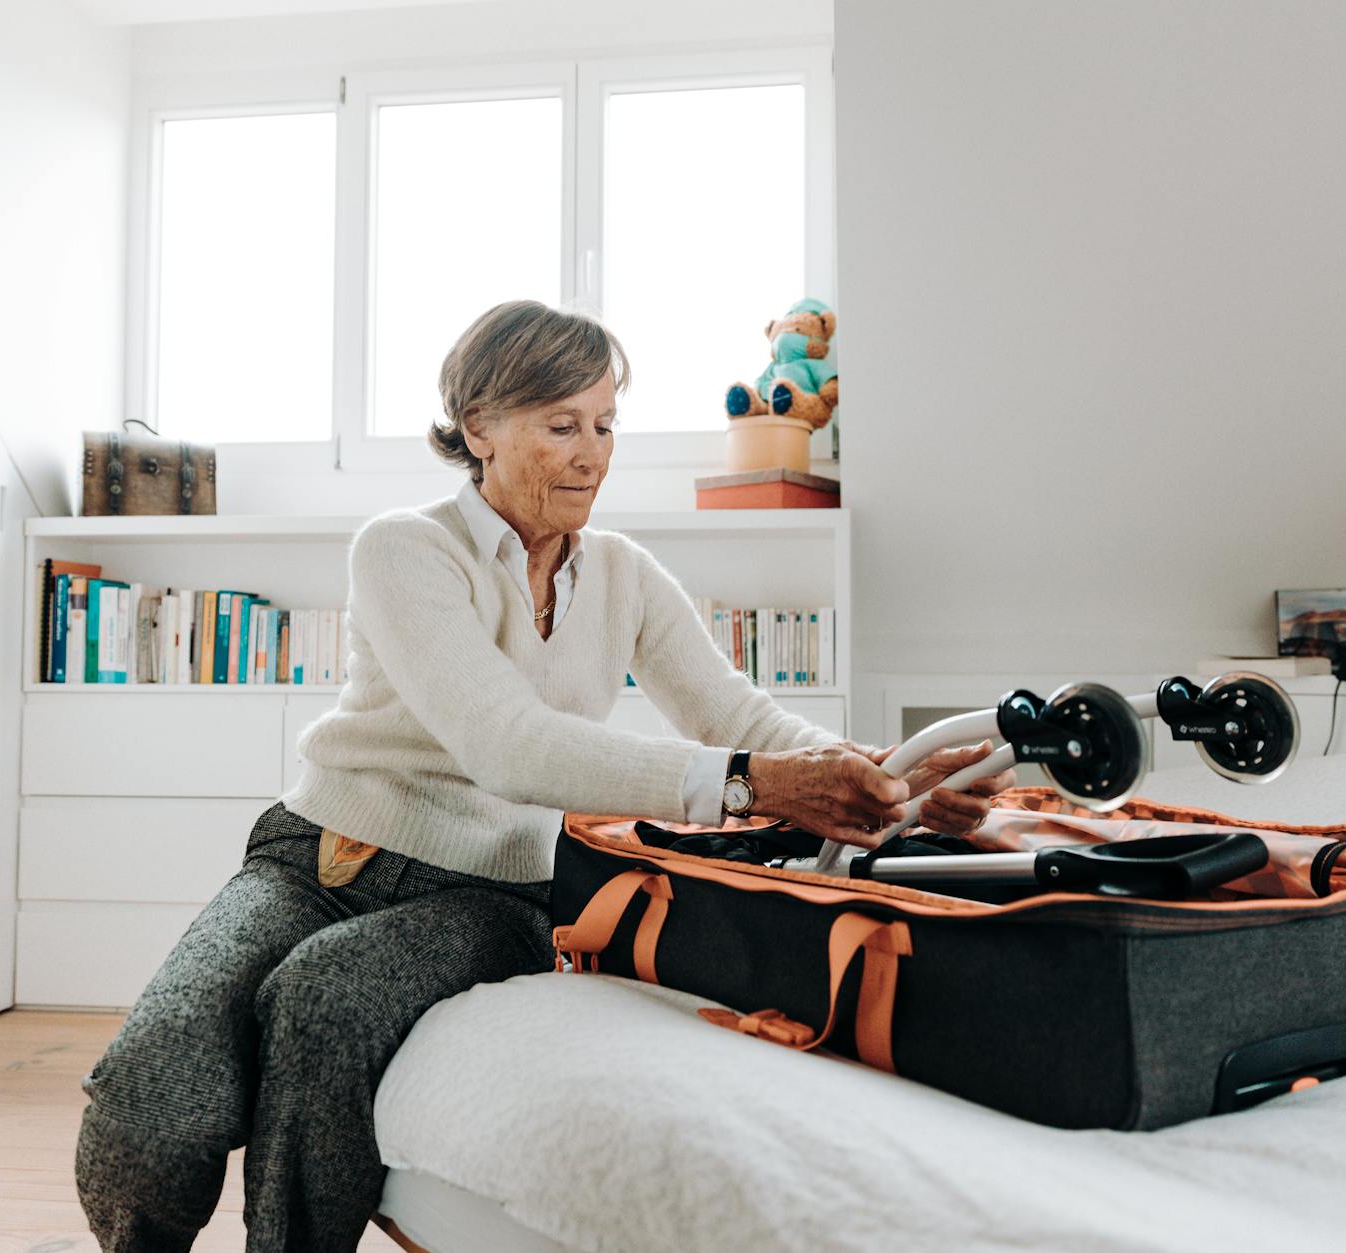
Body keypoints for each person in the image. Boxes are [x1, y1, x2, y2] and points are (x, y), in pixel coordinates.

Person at [73, 299, 1013, 1252]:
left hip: (496, 892)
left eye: (605, 424)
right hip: (318, 859)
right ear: (478, 426)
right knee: (151, 1093)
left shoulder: (627, 577)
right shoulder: (405, 549)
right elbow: (508, 744)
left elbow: (745, 723)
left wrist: (899, 783)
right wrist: (759, 782)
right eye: (561, 425)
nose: (591, 452)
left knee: (325, 998)